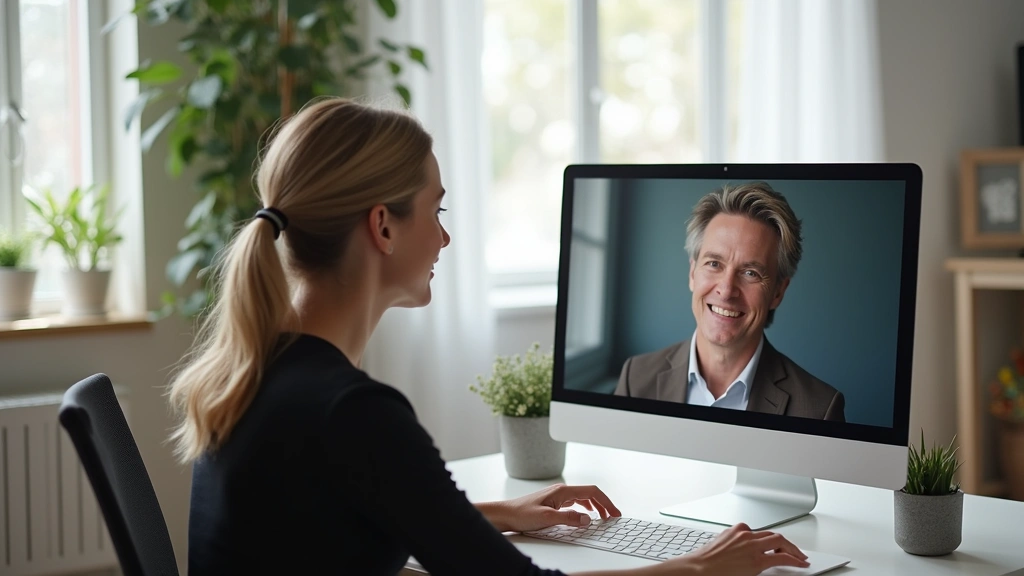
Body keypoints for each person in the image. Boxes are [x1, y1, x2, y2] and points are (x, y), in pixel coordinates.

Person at [168, 98, 811, 575]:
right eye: (436, 210)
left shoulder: (258, 372)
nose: (445, 238)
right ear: (382, 228)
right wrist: (701, 567)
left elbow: (340, 517)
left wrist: (499, 514)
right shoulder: (352, 412)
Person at [614, 183, 845, 422]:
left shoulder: (820, 410)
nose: (726, 291)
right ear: (693, 273)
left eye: (750, 273)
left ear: (778, 292)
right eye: (714, 264)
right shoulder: (636, 378)